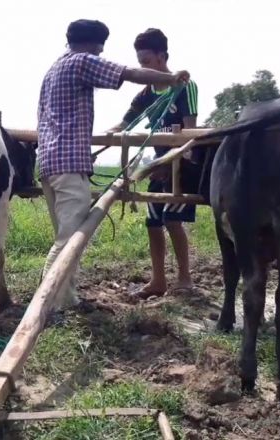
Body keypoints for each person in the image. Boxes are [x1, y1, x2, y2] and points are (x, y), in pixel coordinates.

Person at [37, 19, 190, 310]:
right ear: (95, 45)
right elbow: (128, 73)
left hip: (50, 162)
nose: (100, 53)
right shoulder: (82, 62)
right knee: (68, 242)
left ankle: (66, 300)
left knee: (66, 238)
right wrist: (171, 79)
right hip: (68, 166)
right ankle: (47, 305)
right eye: (101, 48)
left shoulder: (54, 68)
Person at [109, 28, 199, 299]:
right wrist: (104, 137)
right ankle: (158, 280)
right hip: (158, 167)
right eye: (140, 62)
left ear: (162, 57)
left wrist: (171, 163)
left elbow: (189, 132)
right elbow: (124, 123)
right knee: (153, 223)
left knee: (172, 219)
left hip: (181, 166)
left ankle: (185, 279)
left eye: (147, 62)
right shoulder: (145, 94)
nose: (143, 67)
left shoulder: (185, 87)